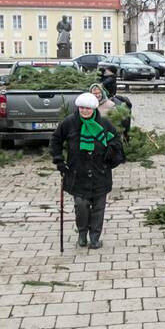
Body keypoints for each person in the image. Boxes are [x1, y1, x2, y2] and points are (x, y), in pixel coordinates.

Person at [51, 92, 124, 249]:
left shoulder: (104, 124)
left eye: (88, 108)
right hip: (78, 173)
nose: (85, 111)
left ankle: (95, 238)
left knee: (98, 207)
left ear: (94, 109)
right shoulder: (69, 123)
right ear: (78, 108)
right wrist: (59, 160)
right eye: (82, 108)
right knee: (81, 206)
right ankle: (82, 234)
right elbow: (56, 139)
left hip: (100, 172)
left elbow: (116, 140)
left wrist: (111, 151)